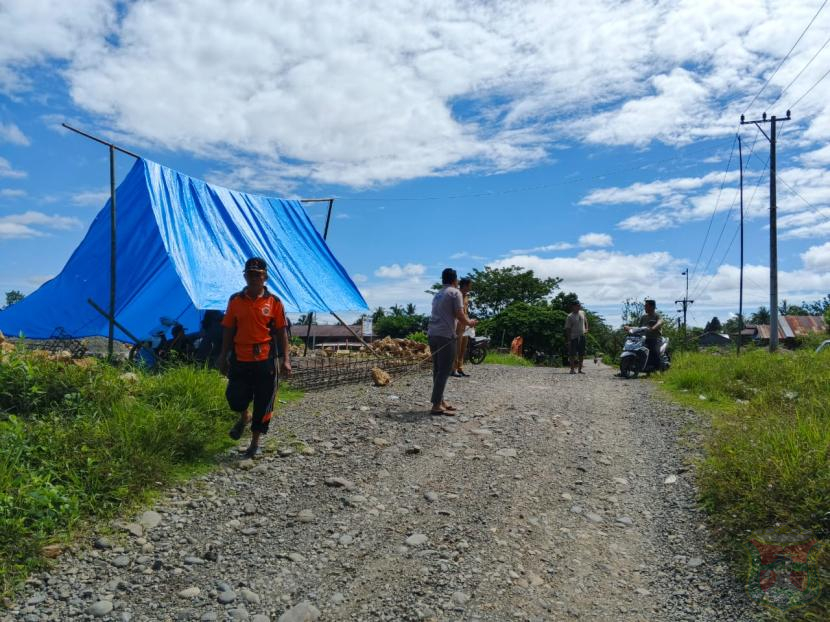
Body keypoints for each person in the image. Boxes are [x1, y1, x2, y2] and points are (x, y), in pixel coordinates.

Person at [217, 257, 291, 458]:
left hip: (266, 360)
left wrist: (286, 359)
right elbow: (228, 329)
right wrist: (223, 355)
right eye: (250, 274)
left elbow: (282, 332)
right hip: (240, 358)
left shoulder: (274, 302)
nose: (254, 278)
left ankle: (254, 443)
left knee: (263, 401)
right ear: (245, 276)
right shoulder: (235, 300)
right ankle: (244, 415)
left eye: (258, 274)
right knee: (235, 398)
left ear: (265, 277)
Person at [427, 268, 476, 415]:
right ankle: (436, 405)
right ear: (455, 280)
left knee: (437, 369)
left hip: (432, 334)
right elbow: (459, 314)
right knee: (445, 370)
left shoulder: (438, 294)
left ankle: (440, 401)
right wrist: (470, 322)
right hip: (446, 335)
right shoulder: (455, 293)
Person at [626, 299, 664, 370]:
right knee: (634, 348)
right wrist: (629, 328)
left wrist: (653, 327)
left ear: (652, 307)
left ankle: (658, 369)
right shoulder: (643, 317)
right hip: (644, 338)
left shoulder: (657, 315)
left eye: (646, 306)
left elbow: (660, 322)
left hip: (655, 338)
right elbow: (639, 328)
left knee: (654, 351)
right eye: (645, 306)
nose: (645, 308)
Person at [451, 277, 473, 377]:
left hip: (466, 325)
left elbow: (465, 311)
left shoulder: (466, 296)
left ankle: (460, 368)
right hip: (458, 325)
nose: (470, 288)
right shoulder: (457, 295)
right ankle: (453, 369)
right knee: (457, 348)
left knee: (463, 348)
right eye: (469, 285)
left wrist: (469, 322)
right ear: (464, 285)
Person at [564, 300, 589, 374]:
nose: (579, 306)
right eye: (577, 305)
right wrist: (569, 340)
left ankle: (580, 369)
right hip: (573, 337)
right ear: (573, 306)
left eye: (579, 305)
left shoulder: (582, 312)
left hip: (582, 336)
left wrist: (587, 328)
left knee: (581, 353)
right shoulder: (570, 316)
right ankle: (572, 369)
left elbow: (585, 320)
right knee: (572, 354)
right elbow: (568, 328)